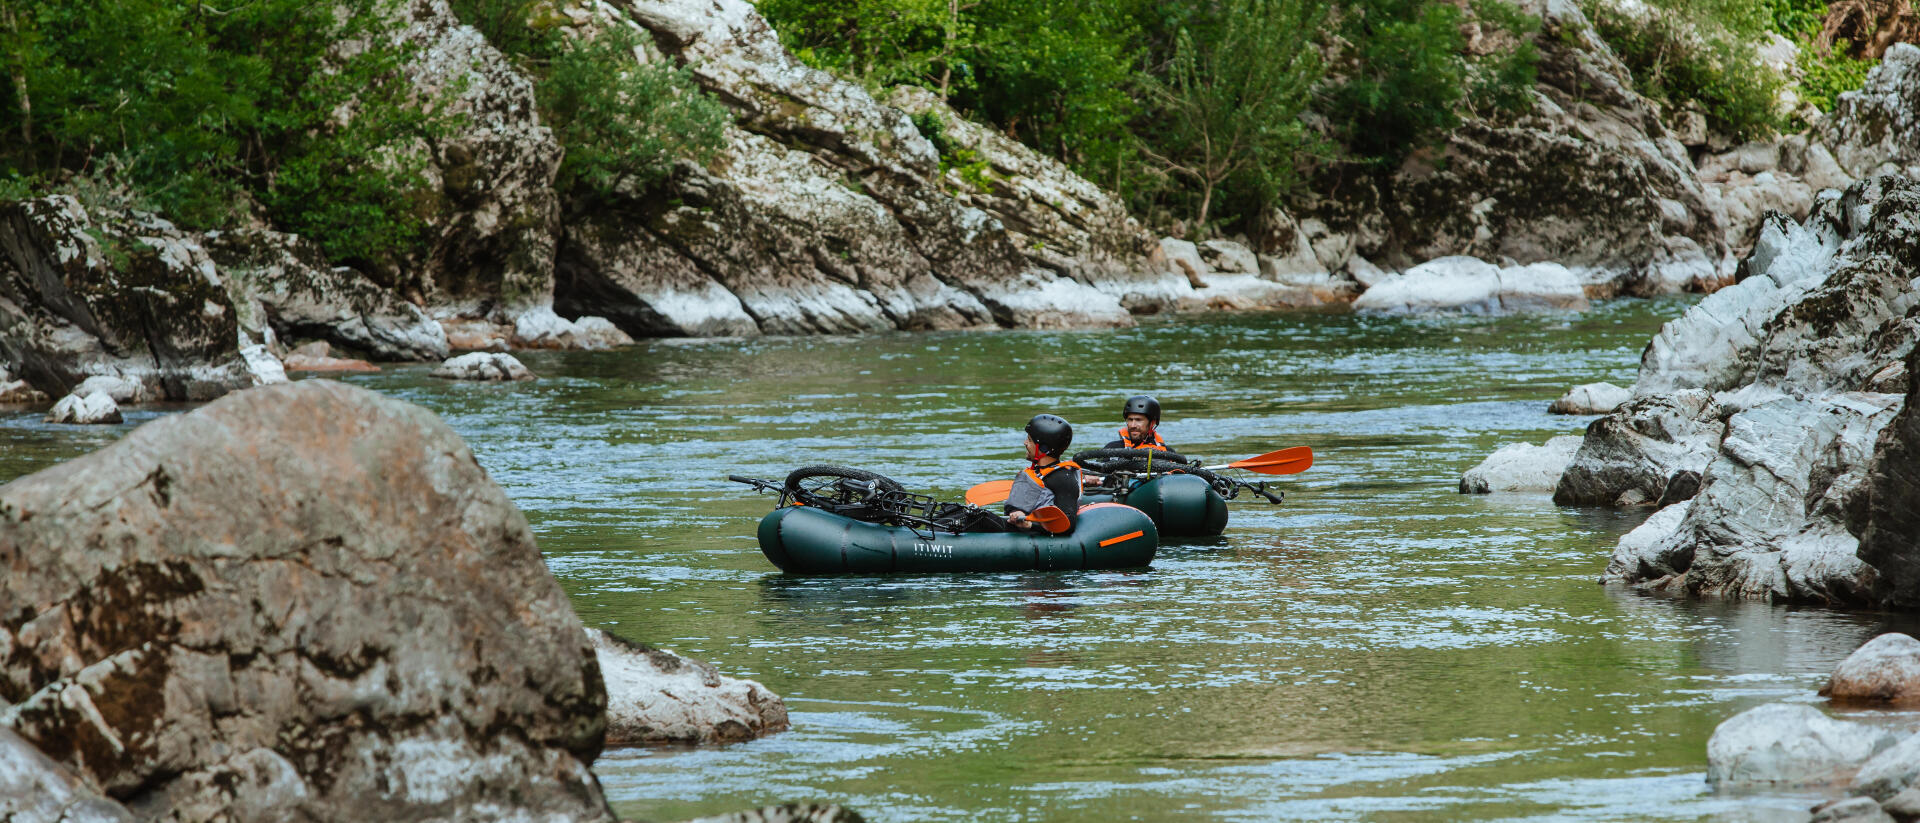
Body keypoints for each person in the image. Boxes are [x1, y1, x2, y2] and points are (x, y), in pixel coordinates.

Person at [1005, 413, 1081, 533]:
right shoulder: (1036, 473)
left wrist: (1030, 524)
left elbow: (1067, 524)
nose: (1025, 443)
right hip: (1015, 527)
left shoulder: (1063, 478)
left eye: (1029, 440)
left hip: (1034, 532)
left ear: (1044, 449)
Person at [1104, 394, 1173, 452]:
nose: (1133, 425)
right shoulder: (1112, 449)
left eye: (1138, 420)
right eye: (1130, 420)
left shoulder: (1168, 453)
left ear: (1152, 423)